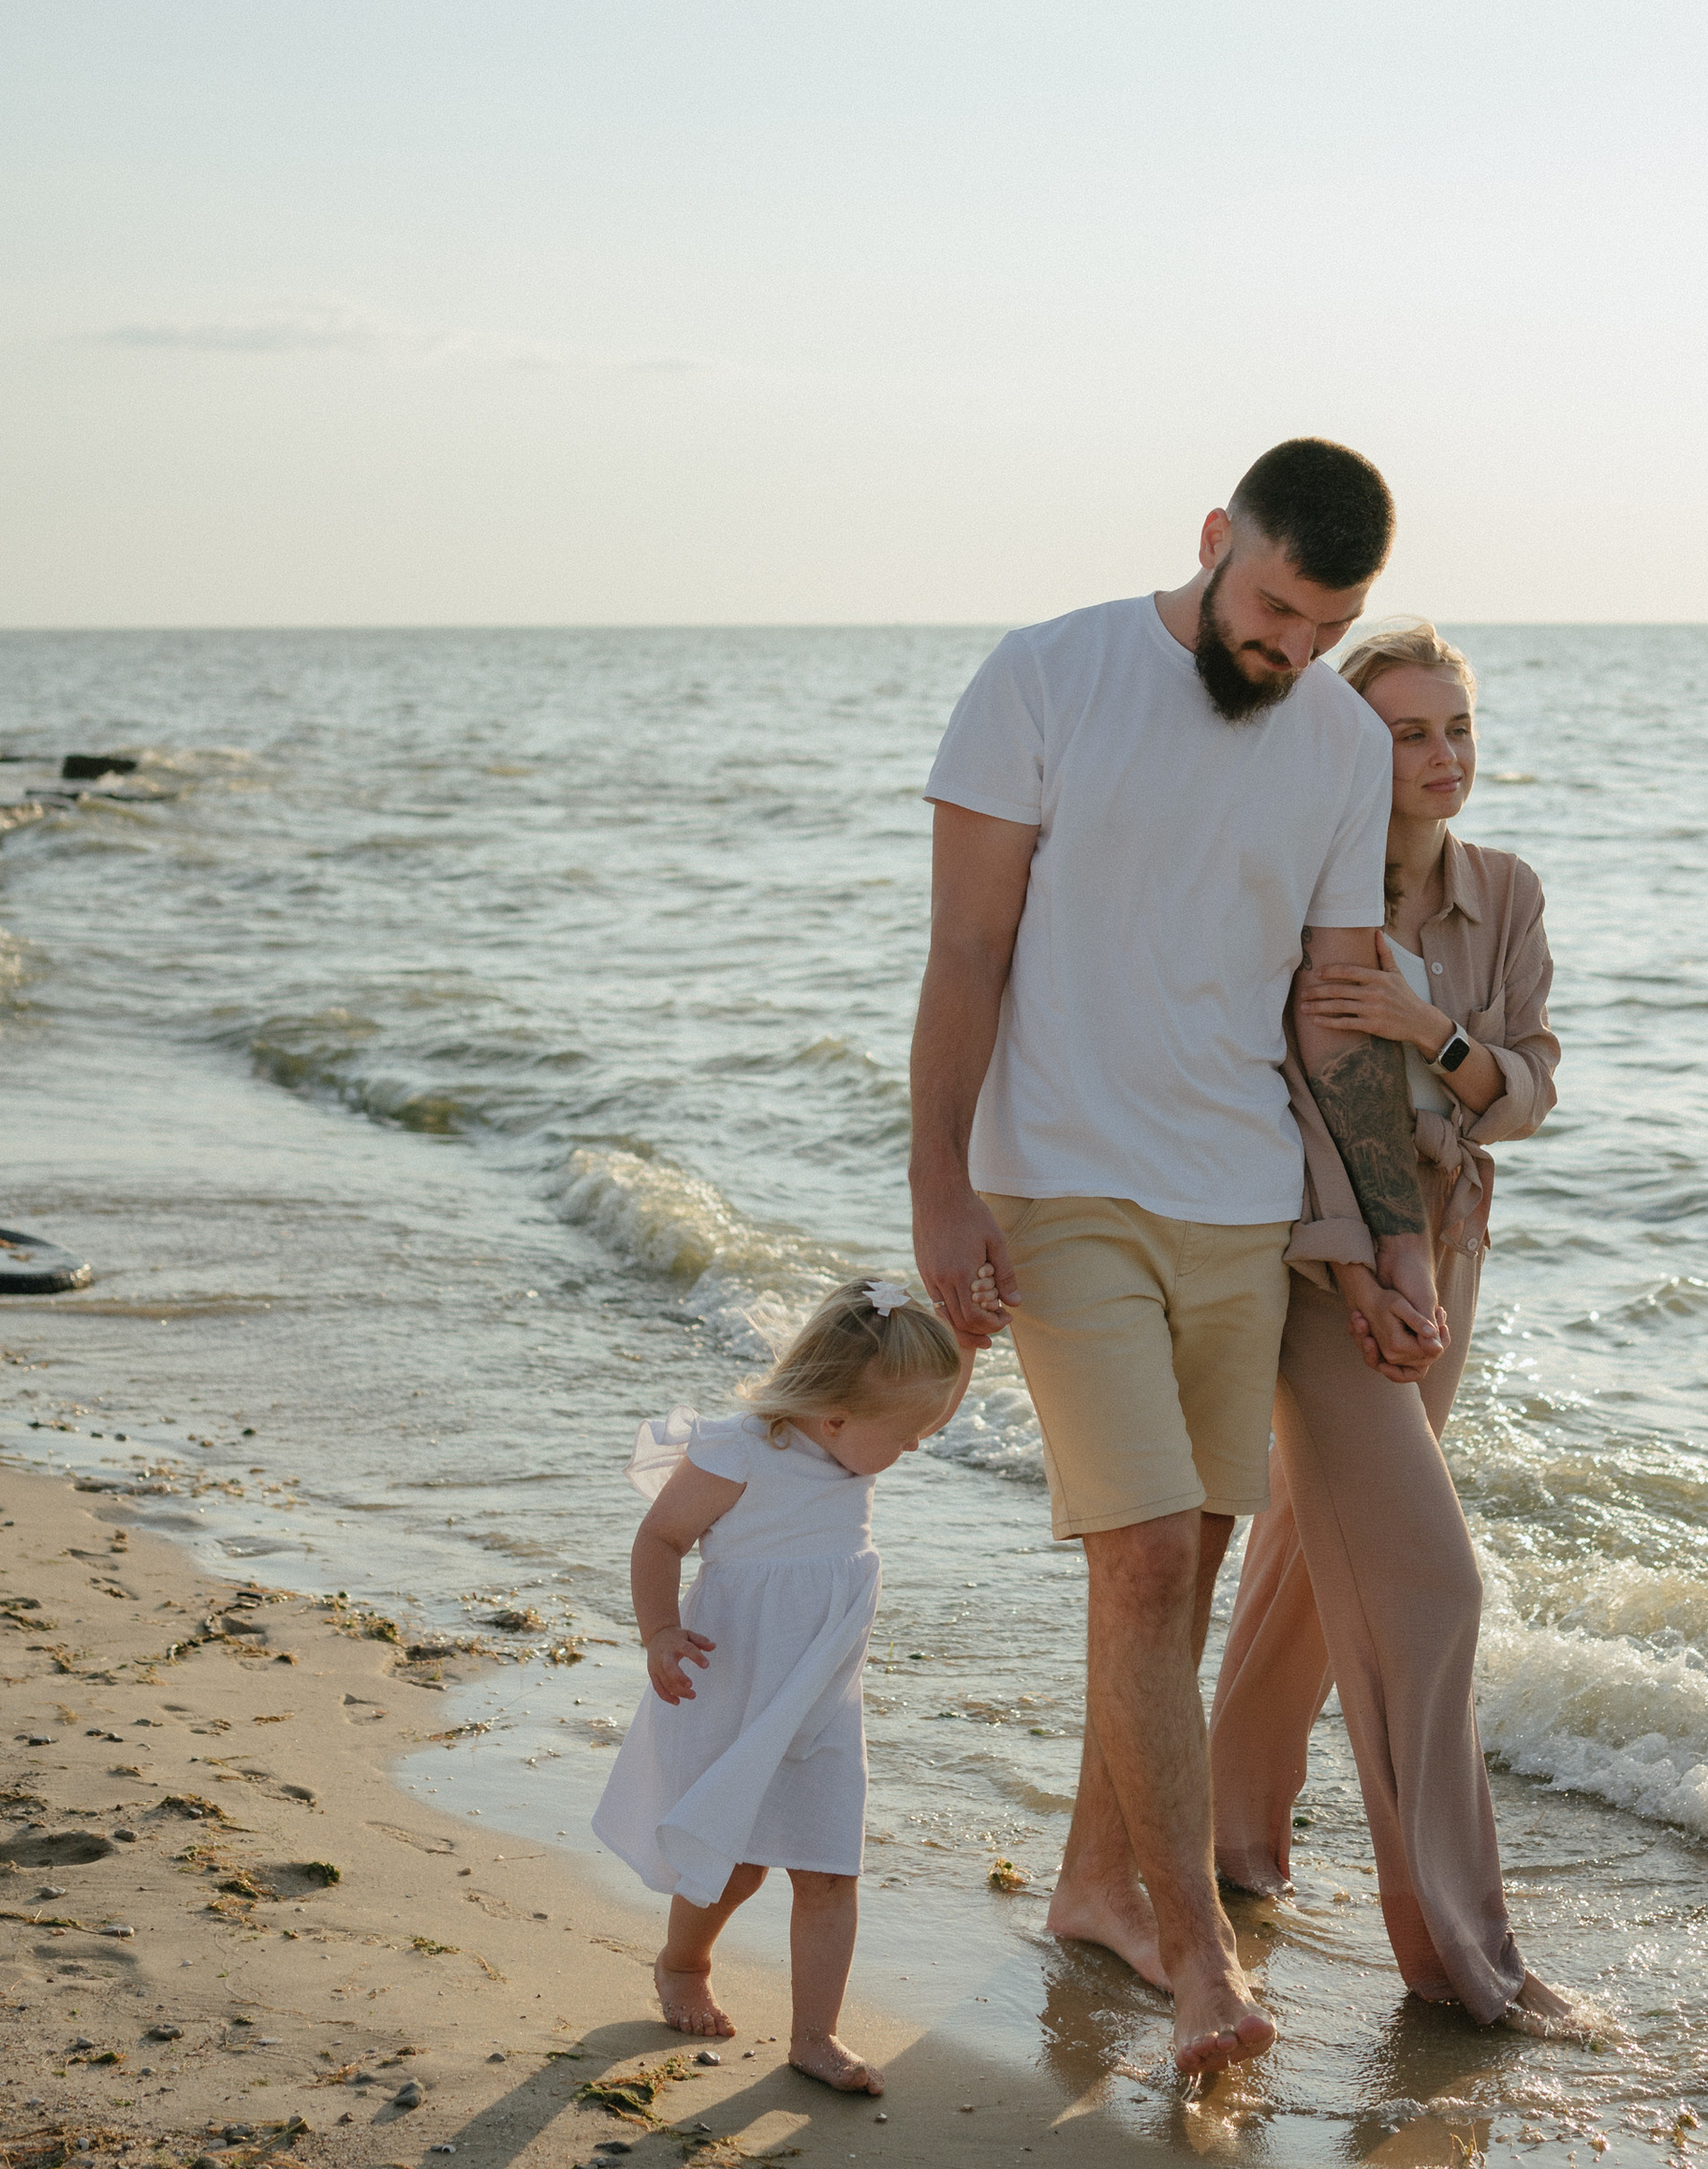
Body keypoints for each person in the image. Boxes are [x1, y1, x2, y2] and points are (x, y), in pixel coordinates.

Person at [909, 438, 1449, 2076]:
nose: (1286, 650)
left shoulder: (1345, 744)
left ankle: (1093, 1885)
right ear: (1216, 542)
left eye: (1319, 623)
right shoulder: (1045, 676)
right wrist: (941, 1189)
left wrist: (1388, 1241)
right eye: (1273, 606)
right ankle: (1198, 1960)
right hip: (1059, 1185)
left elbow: (1338, 1011)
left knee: (1192, 1564)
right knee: (1142, 1561)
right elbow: (968, 947)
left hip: (1239, 1202)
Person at [1209, 621, 1585, 2033]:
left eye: (1455, 731)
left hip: (1452, 1251)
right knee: (1429, 1585)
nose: (1439, 761)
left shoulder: (1506, 893)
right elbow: (1295, 1099)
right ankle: (1458, 1950)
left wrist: (1434, 1032)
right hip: (1325, 1261)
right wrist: (1371, 1265)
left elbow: (1532, 1086)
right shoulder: (1309, 887)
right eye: (1402, 735)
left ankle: (1228, 1843)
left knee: (1312, 1557)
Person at [591, 1275, 972, 2095]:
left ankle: (814, 2035)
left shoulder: (855, 1443)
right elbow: (660, 1538)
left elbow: (925, 1400)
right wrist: (659, 1632)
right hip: (732, 1683)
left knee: (830, 1867)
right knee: (735, 1864)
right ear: (834, 1419)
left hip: (823, 1698)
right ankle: (683, 1963)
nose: (915, 1450)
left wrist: (972, 1328)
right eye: (906, 1441)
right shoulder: (742, 1452)